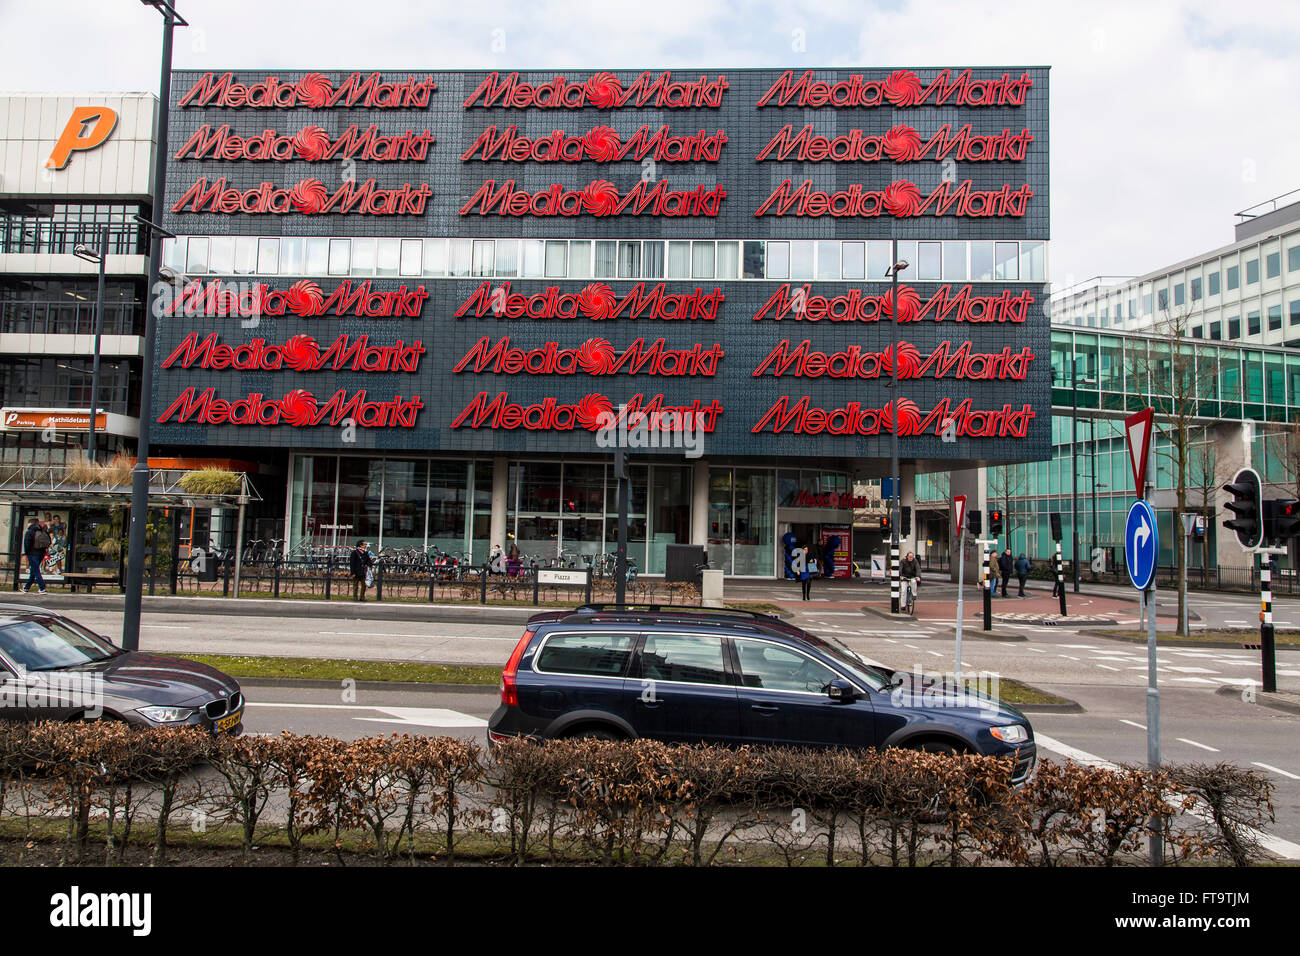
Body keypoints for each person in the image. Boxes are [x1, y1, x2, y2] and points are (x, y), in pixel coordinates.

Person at [21, 516, 50, 594]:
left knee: (36, 570)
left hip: (32, 553)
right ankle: (26, 587)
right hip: (41, 553)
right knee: (33, 570)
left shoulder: (30, 531)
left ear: (30, 523)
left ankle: (42, 588)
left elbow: (27, 543)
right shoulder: (43, 530)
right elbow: (48, 541)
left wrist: (26, 553)